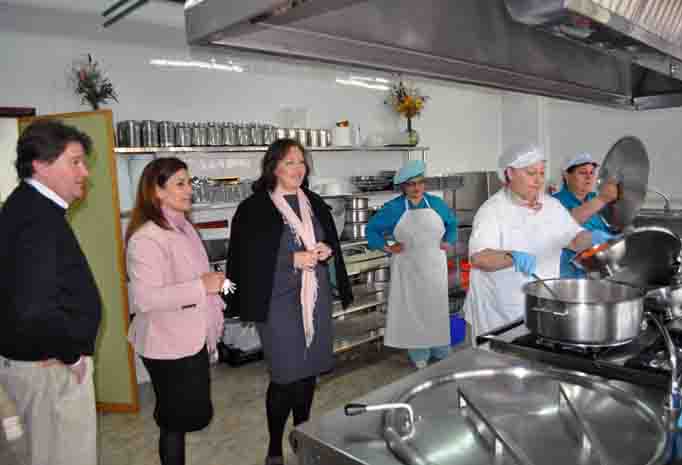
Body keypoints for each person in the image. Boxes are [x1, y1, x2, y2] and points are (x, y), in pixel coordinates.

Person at [225, 138, 353, 465]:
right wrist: (290, 260)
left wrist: (326, 250)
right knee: (285, 376)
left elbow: (328, 240)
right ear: (274, 168)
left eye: (301, 162)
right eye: (289, 162)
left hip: (314, 298)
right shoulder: (254, 209)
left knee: (308, 373)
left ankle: (302, 435)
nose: (298, 169)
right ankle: (273, 447)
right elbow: (246, 259)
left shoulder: (313, 201)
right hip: (277, 302)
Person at [0, 120, 102, 465]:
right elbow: (34, 307)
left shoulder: (27, 207)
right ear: (41, 165)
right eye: (75, 162)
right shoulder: (37, 219)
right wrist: (71, 354)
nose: (84, 172)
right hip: (50, 370)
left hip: (41, 361)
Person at [125, 157, 226, 465]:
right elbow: (146, 299)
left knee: (186, 417)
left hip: (190, 336)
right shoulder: (146, 238)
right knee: (174, 420)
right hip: (166, 344)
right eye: (180, 184)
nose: (189, 190)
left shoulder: (183, 228)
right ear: (157, 191)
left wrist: (210, 285)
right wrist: (201, 286)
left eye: (189, 182)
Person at [463, 144, 612, 342]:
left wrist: (592, 238)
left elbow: (574, 239)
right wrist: (511, 257)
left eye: (542, 173)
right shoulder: (492, 211)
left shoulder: (551, 206)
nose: (538, 180)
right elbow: (480, 258)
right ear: (510, 173)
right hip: (499, 313)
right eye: (531, 173)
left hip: (541, 306)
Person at [366, 160, 457, 369]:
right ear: (403, 187)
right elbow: (371, 230)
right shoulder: (394, 208)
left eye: (420, 182)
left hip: (434, 266)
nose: (416, 188)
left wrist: (449, 240)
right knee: (413, 309)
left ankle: (440, 347)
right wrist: (388, 247)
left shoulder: (436, 204)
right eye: (411, 184)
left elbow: (451, 224)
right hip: (408, 268)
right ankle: (419, 352)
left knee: (436, 307)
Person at [552, 152, 618, 277]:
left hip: (599, 271)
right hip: (568, 275)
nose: (588, 177)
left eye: (592, 173)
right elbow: (566, 223)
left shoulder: (596, 199)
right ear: (566, 175)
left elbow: (612, 228)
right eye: (582, 173)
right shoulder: (554, 202)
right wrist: (602, 199)